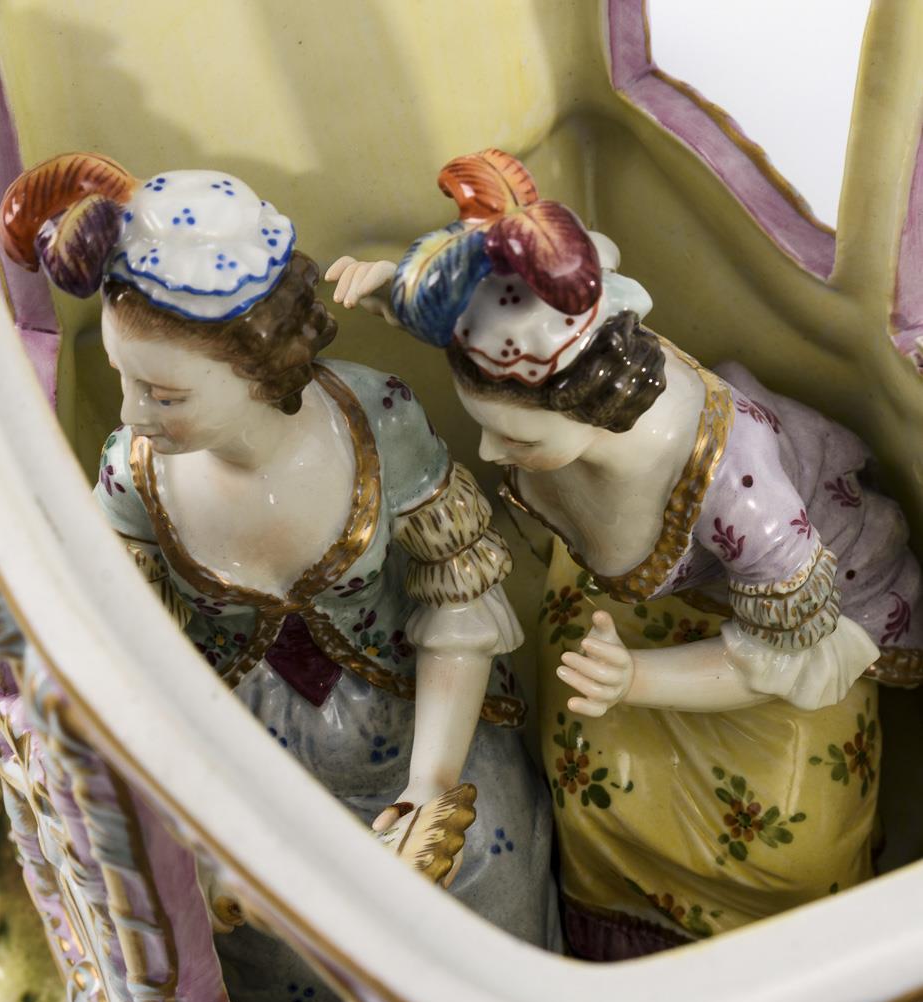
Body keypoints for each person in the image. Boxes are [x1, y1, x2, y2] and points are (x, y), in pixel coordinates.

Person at [0, 152, 558, 1002]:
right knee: (268, 932)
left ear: (258, 361)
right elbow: (133, 665)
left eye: (163, 394)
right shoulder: (135, 474)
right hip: (242, 759)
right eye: (122, 380)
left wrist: (430, 787)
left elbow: (457, 601)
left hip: (415, 723)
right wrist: (203, 826)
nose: (133, 415)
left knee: (480, 871)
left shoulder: (375, 421)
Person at [330, 147, 923, 960]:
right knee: (586, 773)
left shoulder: (739, 490)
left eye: (516, 438)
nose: (491, 452)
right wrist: (388, 288)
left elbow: (789, 650)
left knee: (790, 836)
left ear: (591, 403)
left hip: (787, 636)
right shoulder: (545, 357)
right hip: (632, 606)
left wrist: (637, 680)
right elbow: (476, 308)